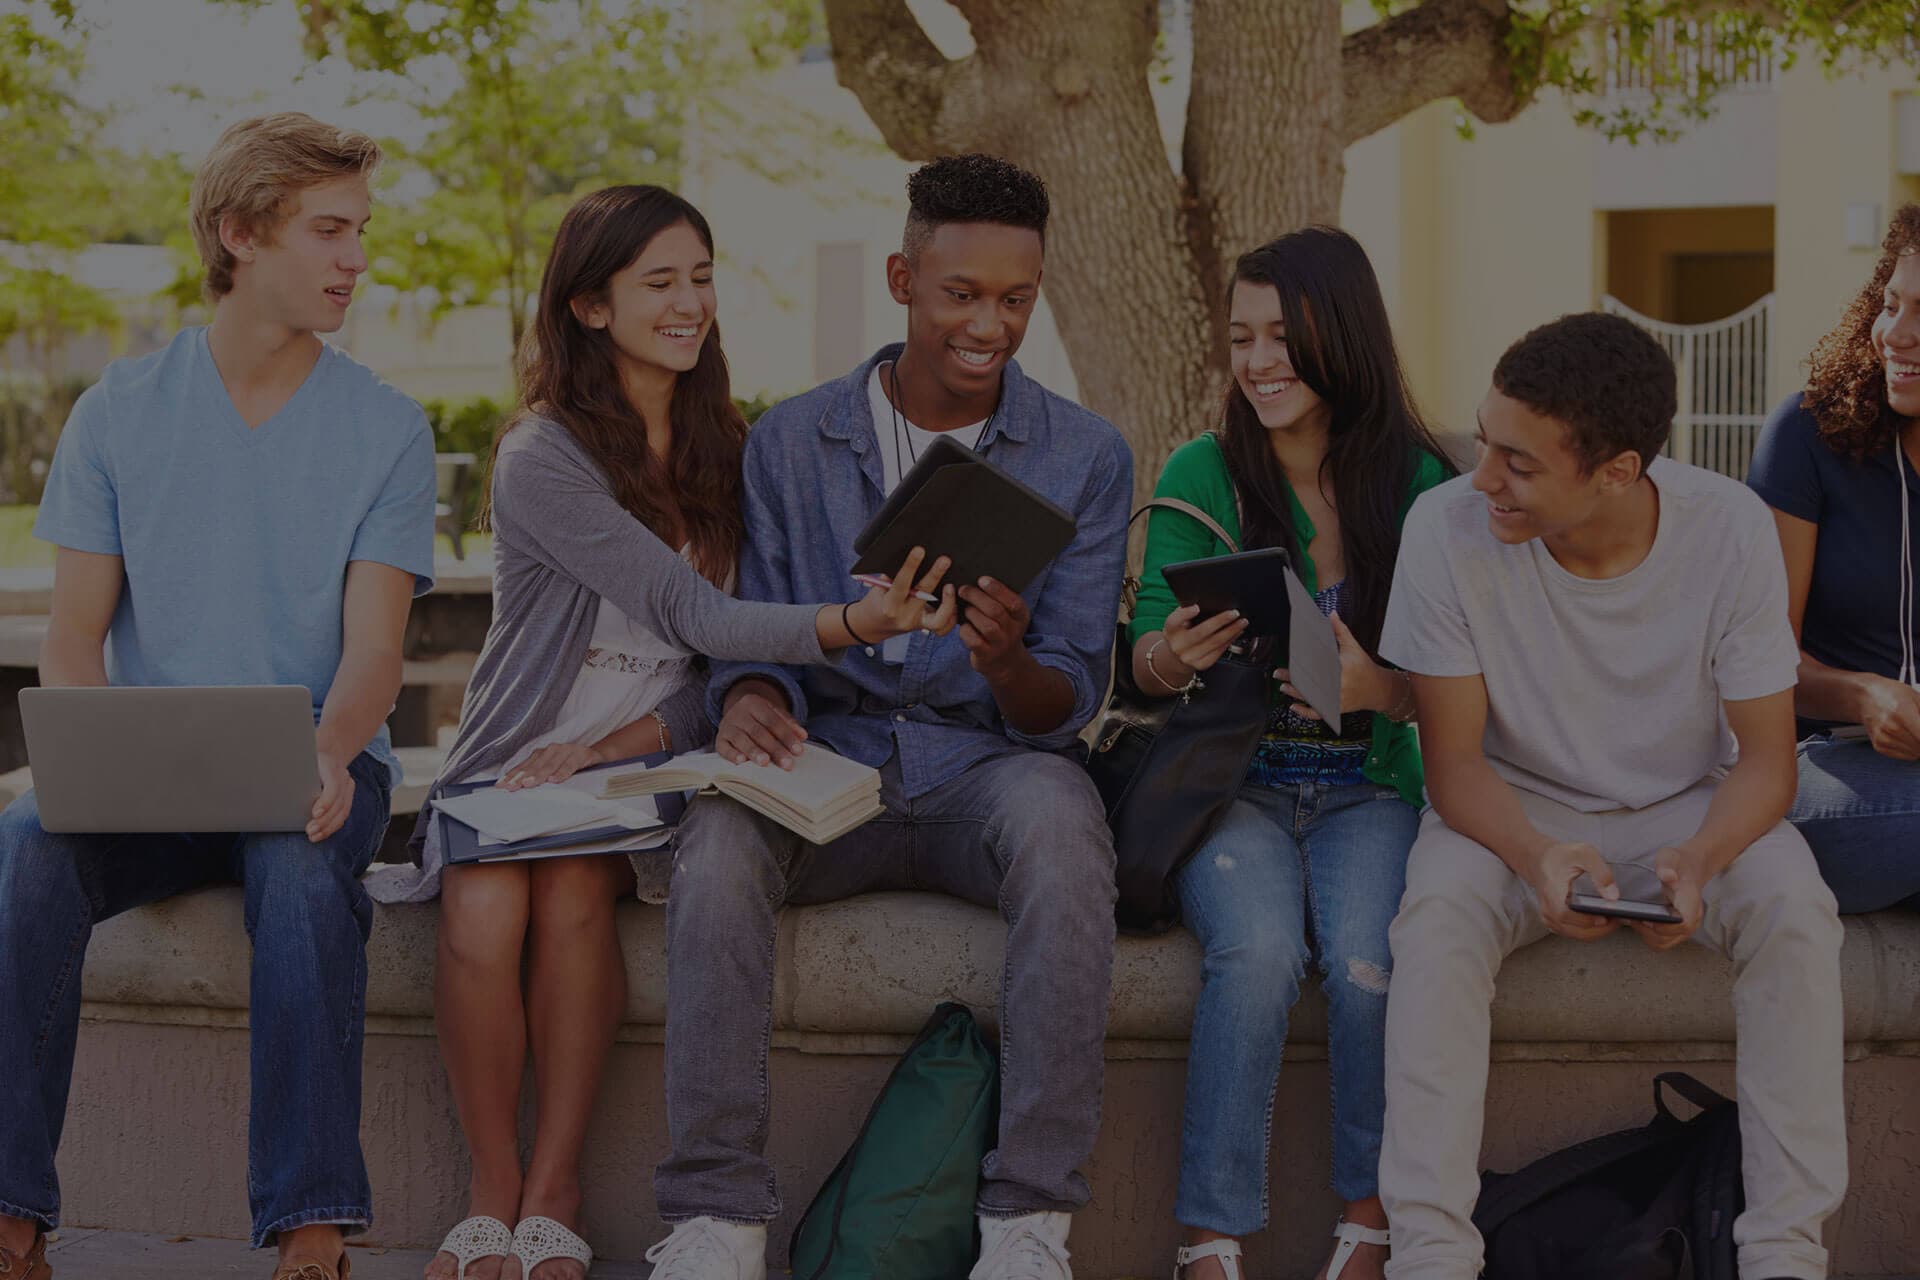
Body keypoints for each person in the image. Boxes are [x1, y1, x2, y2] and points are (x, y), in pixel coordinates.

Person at [369, 186, 956, 1280]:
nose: (690, 303)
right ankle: (487, 1192)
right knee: (486, 907)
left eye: (699, 276)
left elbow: (706, 669)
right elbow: (693, 610)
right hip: (518, 756)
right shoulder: (542, 454)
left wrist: (618, 743)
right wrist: (850, 624)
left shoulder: (727, 446)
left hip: (650, 760)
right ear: (590, 307)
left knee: (577, 896)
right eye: (659, 283)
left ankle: (553, 1190)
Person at [641, 154, 1130, 1280]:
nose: (989, 325)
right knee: (715, 842)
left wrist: (1005, 661)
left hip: (987, 761)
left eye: (1017, 298)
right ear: (906, 278)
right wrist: (756, 694)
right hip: (829, 755)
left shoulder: (1085, 454)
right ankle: (715, 1213)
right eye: (961, 293)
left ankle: (1027, 1220)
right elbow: (750, 628)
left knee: (1066, 829)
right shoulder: (793, 440)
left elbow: (1067, 699)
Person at [0, 113, 440, 1280]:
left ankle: (309, 1226)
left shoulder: (386, 429)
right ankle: (10, 1216)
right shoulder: (117, 412)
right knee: (23, 842)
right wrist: (92, 759)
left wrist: (335, 751)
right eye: (329, 230)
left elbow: (373, 656)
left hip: (319, 758)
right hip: (150, 772)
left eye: (361, 230)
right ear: (241, 234)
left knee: (300, 870)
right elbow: (76, 638)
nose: (357, 259)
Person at [1376, 312, 1847, 1280]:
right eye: (1485, 439)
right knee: (1436, 921)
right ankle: (1429, 1255)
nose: (1483, 478)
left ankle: (1784, 1256)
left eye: (1517, 462)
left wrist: (1704, 860)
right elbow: (1453, 761)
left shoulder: (1730, 530)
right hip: (1508, 805)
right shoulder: (1446, 528)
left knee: (1797, 911)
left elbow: (1767, 759)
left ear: (1618, 472)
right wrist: (1538, 855)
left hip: (1689, 801)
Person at [1126, 227, 1450, 1280]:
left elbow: (1459, 688)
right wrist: (1173, 655)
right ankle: (1210, 1235)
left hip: (1370, 787)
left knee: (1367, 964)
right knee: (1258, 956)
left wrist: (1379, 688)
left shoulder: (1423, 483)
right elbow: (1140, 666)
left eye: (1283, 336)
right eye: (1242, 337)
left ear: (1341, 336)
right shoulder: (1202, 469)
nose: (1258, 361)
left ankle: (1371, 1215)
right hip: (1238, 786)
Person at [1747, 203, 1920, 912]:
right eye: (1891, 304)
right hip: (1817, 765)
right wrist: (1865, 694)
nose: (1898, 335)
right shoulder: (1808, 435)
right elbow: (1756, 656)